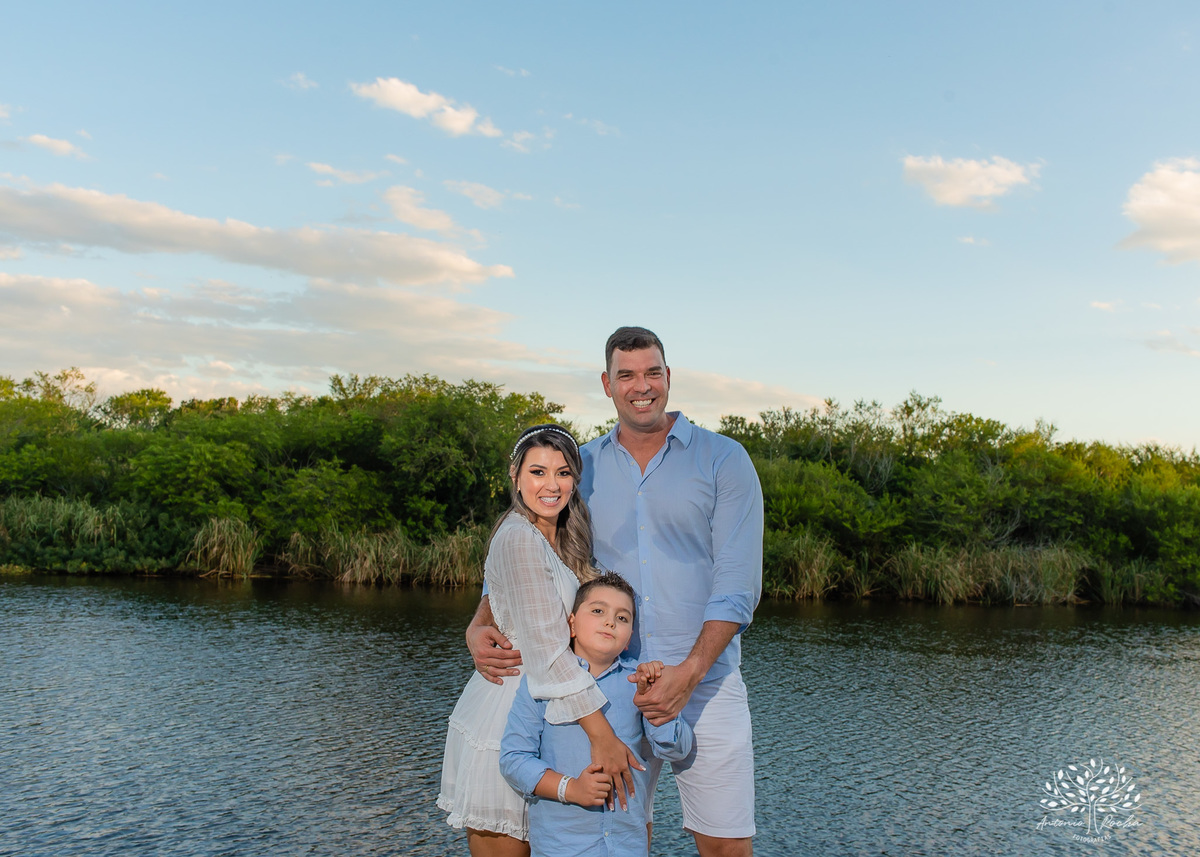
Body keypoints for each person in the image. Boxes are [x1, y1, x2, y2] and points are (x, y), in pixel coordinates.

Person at [470, 327, 764, 857]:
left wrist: (688, 674)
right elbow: (527, 549)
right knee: (622, 835)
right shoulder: (579, 467)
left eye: (652, 372)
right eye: (626, 375)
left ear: (669, 377)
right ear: (607, 384)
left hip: (705, 681)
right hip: (601, 686)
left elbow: (738, 586)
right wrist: (480, 618)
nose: (641, 386)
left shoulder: (724, 460)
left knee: (727, 846)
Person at [440, 424, 639, 857]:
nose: (551, 485)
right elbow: (548, 650)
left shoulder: (561, 537)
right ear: (515, 475)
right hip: (509, 711)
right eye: (537, 472)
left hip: (558, 716)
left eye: (563, 473)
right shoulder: (517, 538)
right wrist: (603, 736)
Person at [499, 572, 693, 857]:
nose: (610, 621)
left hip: (626, 846)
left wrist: (654, 703)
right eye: (598, 610)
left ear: (628, 640)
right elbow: (513, 759)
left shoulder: (636, 682)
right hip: (561, 847)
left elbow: (675, 749)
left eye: (623, 618)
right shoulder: (540, 682)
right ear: (572, 624)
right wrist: (571, 788)